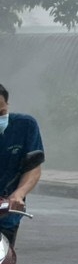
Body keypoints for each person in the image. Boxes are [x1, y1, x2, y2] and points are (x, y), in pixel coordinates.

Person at [0, 84, 43, 249]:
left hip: (5, 215)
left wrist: (18, 194)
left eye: (2, 113)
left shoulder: (25, 126)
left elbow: (33, 167)